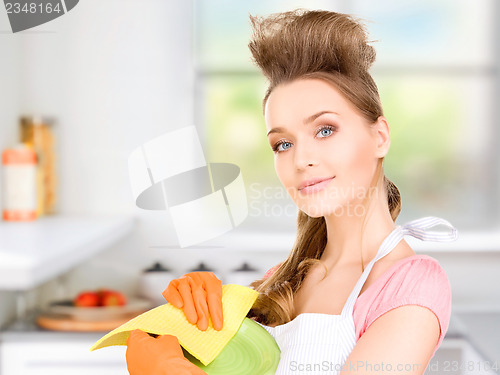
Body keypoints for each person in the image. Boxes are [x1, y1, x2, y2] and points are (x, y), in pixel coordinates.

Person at [126, 9, 457, 375]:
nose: (301, 160)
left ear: (379, 136)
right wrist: (188, 325)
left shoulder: (409, 283)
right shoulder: (283, 279)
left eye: (325, 130)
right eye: (283, 144)